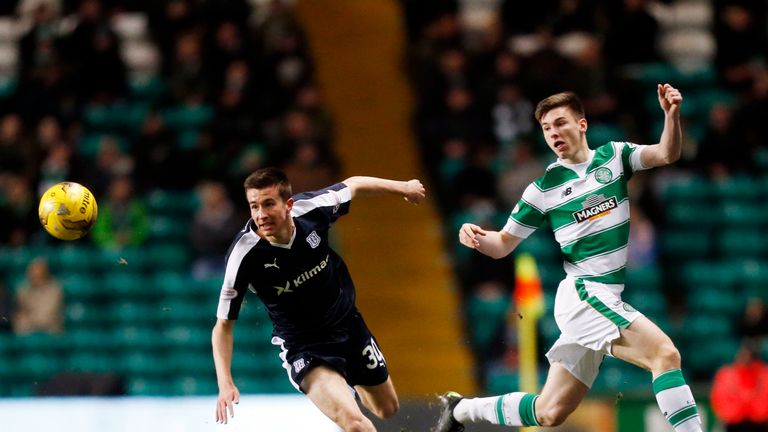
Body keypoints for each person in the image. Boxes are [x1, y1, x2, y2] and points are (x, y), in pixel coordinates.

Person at [434, 85, 704, 432]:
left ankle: (461, 410)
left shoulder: (615, 156)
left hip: (602, 296)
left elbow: (666, 154)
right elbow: (501, 244)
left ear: (582, 125)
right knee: (665, 355)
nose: (553, 133)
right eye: (546, 128)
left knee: (550, 412)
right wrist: (474, 237)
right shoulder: (543, 188)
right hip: (585, 294)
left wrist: (671, 116)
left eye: (560, 123)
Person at [212, 167, 426, 431]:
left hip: (349, 326)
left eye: (268, 204)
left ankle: (343, 382)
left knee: (388, 408)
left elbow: (354, 184)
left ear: (288, 205)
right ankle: (335, 388)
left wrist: (404, 187)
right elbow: (223, 326)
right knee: (356, 424)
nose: (260, 215)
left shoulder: (312, 210)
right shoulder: (244, 255)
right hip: (306, 348)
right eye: (254, 206)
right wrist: (225, 382)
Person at [710, 339, 768, 432]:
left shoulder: (764, 374)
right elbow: (719, 400)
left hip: (759, 424)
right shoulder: (726, 374)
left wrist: (752, 410)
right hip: (734, 424)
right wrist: (738, 411)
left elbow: (764, 404)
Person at [12, 257, 64, 334]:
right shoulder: (23, 289)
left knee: (54, 323)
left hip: (49, 322)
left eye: (37, 271)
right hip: (31, 322)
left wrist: (36, 320)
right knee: (21, 322)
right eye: (32, 271)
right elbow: (22, 309)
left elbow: (50, 311)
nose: (34, 274)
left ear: (44, 272)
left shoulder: (55, 288)